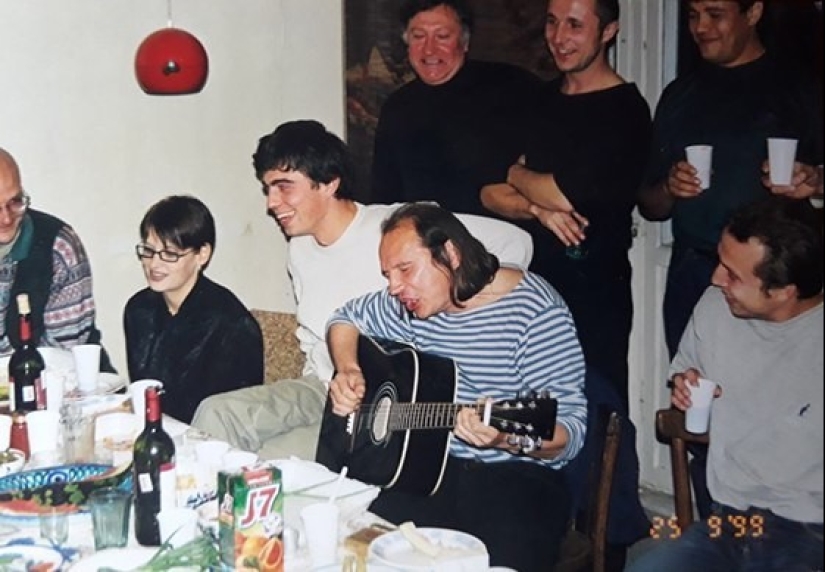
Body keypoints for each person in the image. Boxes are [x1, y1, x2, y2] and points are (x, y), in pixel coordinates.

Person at [191, 120, 533, 460]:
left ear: (328, 183)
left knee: (270, 461)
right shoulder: (299, 247)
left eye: (284, 186)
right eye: (268, 189)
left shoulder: (397, 229)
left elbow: (516, 242)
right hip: (320, 387)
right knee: (216, 415)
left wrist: (464, 314)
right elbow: (315, 333)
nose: (271, 202)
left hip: (382, 409)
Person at [636, 0, 823, 519]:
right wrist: (669, 189)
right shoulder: (680, 94)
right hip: (696, 271)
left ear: (755, 11)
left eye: (715, 14)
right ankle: (717, 524)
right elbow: (648, 204)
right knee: (699, 408)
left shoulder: (798, 87)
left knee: (781, 416)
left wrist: (815, 181)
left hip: (774, 284)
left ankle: (789, 526)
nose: (699, 27)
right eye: (693, 14)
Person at [326, 203, 586, 571]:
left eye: (405, 269)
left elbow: (568, 433)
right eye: (388, 275)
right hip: (427, 469)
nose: (395, 287)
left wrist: (501, 438)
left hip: (517, 479)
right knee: (354, 546)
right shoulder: (408, 305)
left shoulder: (536, 312)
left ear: (450, 254)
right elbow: (344, 318)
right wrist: (348, 369)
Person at [627, 196, 823, 572]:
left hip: (811, 532)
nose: (717, 278)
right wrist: (685, 385)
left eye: (733, 274)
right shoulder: (717, 305)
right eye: (720, 261)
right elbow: (685, 372)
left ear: (784, 292)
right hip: (728, 522)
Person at [481, 0, 652, 411]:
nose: (559, 38)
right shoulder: (539, 100)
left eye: (574, 25)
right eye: (553, 23)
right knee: (532, 411)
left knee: (596, 407)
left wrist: (518, 176)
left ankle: (611, 478)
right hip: (531, 283)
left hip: (596, 289)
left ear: (608, 31)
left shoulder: (625, 109)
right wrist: (538, 209)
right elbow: (488, 192)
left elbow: (565, 194)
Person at [369, 0, 542, 215]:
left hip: (504, 240)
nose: (429, 49)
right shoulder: (397, 108)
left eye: (442, 36)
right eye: (418, 36)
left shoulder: (513, 87)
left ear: (465, 42)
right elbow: (384, 198)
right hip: (425, 241)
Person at [123, 195, 263, 424]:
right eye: (148, 251)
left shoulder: (232, 324)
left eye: (169, 254)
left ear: (202, 254)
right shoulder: (139, 309)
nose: (154, 264)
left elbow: (235, 417)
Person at [0, 147, 114, 369]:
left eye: (15, 202)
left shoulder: (58, 247)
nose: (6, 218)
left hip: (63, 384)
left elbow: (62, 354)